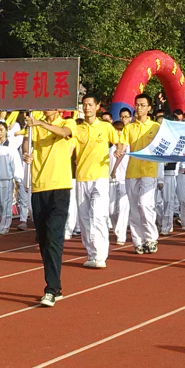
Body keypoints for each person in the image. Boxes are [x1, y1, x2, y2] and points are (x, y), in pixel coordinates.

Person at [25, 108, 74, 307]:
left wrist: (40, 123)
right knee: (44, 239)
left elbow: (63, 133)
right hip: (38, 186)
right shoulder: (33, 124)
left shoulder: (68, 123)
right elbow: (26, 142)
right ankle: (56, 285)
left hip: (59, 187)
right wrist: (26, 153)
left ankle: (51, 289)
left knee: (54, 236)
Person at [73, 95, 120, 269]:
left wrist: (118, 151)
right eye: (84, 105)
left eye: (90, 105)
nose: (87, 108)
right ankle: (91, 253)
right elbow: (70, 148)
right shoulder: (78, 128)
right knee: (84, 218)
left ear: (97, 106)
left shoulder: (106, 127)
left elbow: (119, 142)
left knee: (98, 216)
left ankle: (100, 255)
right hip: (82, 177)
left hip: (100, 177)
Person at [114, 94, 161, 255]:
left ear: (149, 108)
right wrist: (118, 152)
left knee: (145, 204)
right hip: (132, 171)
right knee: (134, 207)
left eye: (142, 105)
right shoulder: (129, 127)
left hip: (149, 170)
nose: (139, 108)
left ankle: (151, 238)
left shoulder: (155, 127)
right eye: (137, 105)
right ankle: (138, 241)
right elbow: (123, 145)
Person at [0, 122, 22, 234]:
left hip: (7, 179)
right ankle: (2, 219)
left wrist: (17, 179)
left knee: (6, 203)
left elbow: (16, 163)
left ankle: (4, 226)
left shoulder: (10, 147)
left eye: (1, 130)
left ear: (6, 131)